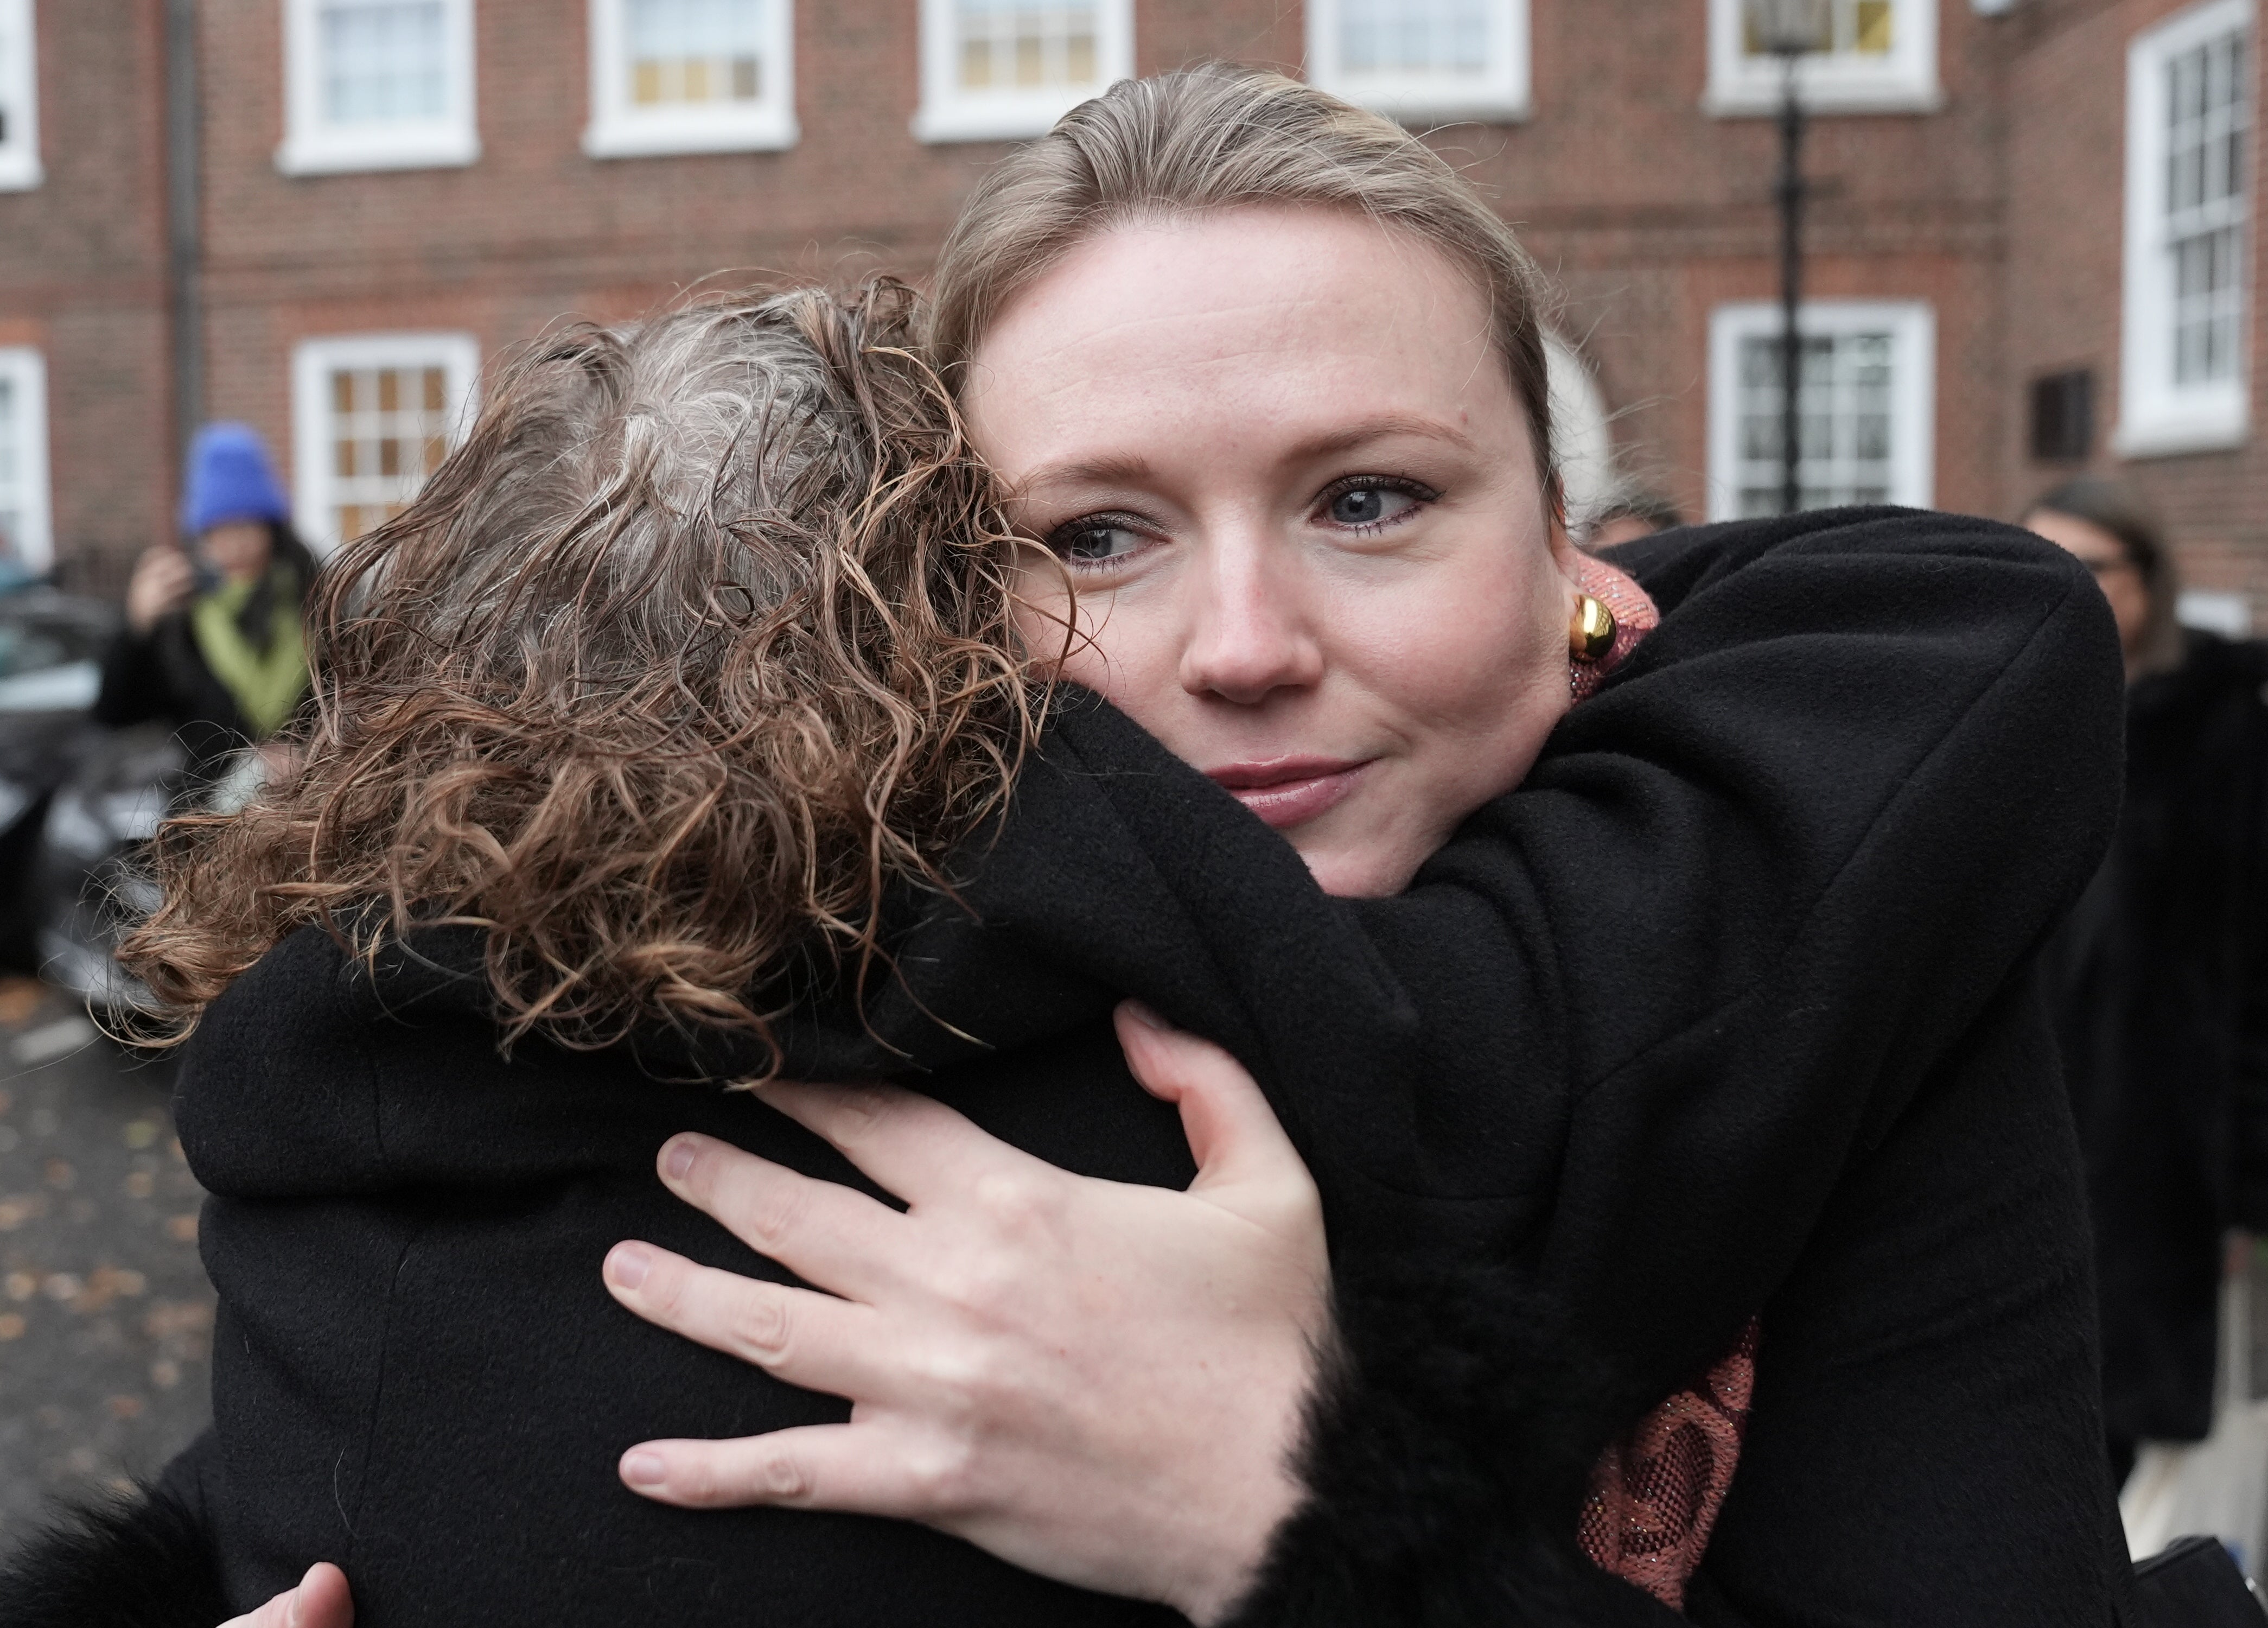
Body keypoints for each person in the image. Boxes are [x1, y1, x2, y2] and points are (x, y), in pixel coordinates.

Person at [16, 69, 2127, 1628]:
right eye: (1090, 536)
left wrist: (1280, 1521)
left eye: (1372, 499)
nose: (1240, 648)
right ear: (920, 622)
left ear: (1573, 551)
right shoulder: (739, 1050)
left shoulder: (1832, 934)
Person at [2023, 477, 2268, 1486]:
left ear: (2148, 582)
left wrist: (2252, 1183)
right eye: (2037, 561)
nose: (2057, 588)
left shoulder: (2231, 737)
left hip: (2158, 1156)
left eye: (2088, 566)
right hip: (2013, 1136)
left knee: (2114, 1450)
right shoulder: (2004, 712)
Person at [97, 423, 318, 761]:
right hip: (208, 807)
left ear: (271, 528)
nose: (235, 544)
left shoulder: (316, 602)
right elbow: (116, 714)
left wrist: (304, 753)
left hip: (310, 799)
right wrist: (136, 628)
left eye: (246, 525)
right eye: (218, 530)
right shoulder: (181, 620)